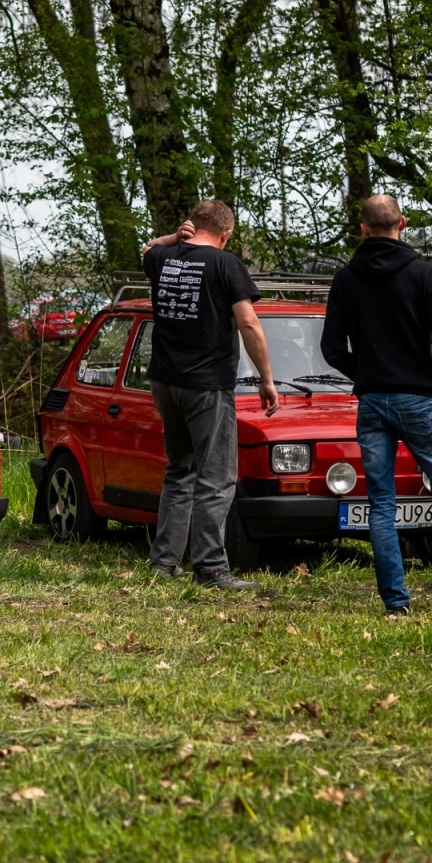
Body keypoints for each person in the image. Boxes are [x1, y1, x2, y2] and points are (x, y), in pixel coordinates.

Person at [321, 194, 432, 615]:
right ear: (402, 222)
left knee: (381, 502)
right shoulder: (422, 274)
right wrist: (431, 378)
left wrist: (364, 371)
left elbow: (332, 348)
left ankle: (395, 604)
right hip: (418, 397)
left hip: (372, 400)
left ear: (363, 228)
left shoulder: (346, 279)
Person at [142, 201, 279, 590]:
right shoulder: (226, 264)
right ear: (226, 233)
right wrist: (266, 378)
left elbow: (149, 249)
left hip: (165, 382)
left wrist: (173, 236)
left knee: (180, 469)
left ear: (192, 225)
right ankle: (212, 569)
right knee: (216, 477)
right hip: (206, 385)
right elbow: (248, 323)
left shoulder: (165, 258)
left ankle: (165, 561)